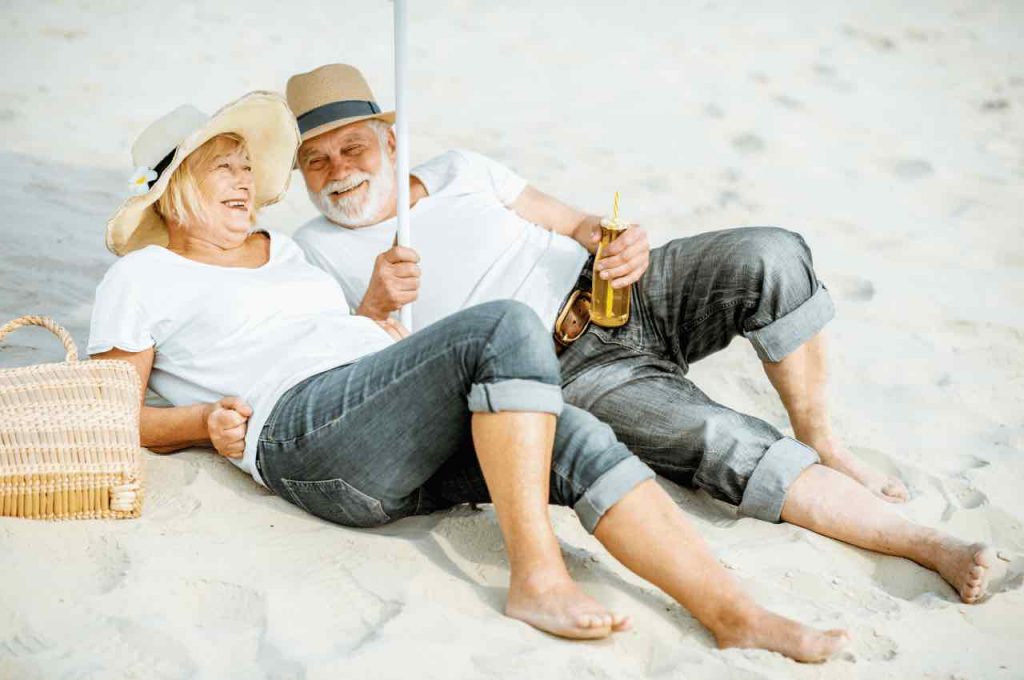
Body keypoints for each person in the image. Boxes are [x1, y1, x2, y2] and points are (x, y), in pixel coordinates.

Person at [87, 92, 858, 661]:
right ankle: (536, 573)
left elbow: (340, 335)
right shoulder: (145, 276)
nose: (244, 182)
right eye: (223, 169)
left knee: (576, 432)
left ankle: (733, 614)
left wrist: (378, 321)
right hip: (301, 438)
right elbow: (106, 413)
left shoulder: (283, 252)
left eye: (245, 168)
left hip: (377, 422)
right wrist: (194, 424)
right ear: (175, 189)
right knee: (502, 324)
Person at [286, 64, 997, 607]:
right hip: (566, 371)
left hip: (618, 292)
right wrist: (377, 301)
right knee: (720, 440)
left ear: (390, 139)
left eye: (353, 148)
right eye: (317, 161)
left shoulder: (460, 171)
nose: (339, 171)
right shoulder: (315, 248)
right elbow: (349, 367)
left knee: (770, 254)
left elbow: (575, 224)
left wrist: (617, 240)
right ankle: (927, 544)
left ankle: (825, 441)